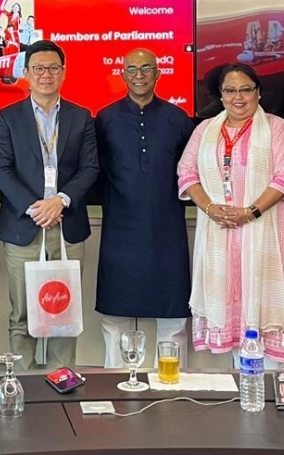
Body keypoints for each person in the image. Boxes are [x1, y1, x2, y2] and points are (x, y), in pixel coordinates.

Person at [176, 63, 284, 367]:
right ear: (220, 96)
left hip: (268, 234)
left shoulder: (278, 128)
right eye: (230, 90)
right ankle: (245, 394)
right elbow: (186, 173)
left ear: (258, 93)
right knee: (235, 321)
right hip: (220, 234)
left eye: (246, 89)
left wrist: (250, 212)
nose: (238, 97)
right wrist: (209, 207)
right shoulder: (205, 130)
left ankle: (271, 394)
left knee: (265, 314)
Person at [0, 40, 99, 371]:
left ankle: (61, 384)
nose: (46, 74)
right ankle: (22, 383)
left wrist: (61, 201)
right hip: (25, 226)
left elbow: (90, 168)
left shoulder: (81, 117)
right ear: (26, 74)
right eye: (38, 68)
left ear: (64, 73)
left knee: (63, 312)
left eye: (53, 68)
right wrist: (36, 207)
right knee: (22, 313)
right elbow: (0, 168)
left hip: (67, 228)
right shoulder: (7, 117)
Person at [95, 48, 195, 368]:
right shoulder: (105, 118)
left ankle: (170, 386)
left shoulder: (178, 118)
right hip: (120, 229)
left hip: (168, 230)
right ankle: (115, 384)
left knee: (173, 317)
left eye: (146, 69)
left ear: (158, 74)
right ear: (122, 74)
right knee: (115, 316)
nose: (139, 75)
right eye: (132, 69)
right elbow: (93, 170)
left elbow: (193, 172)